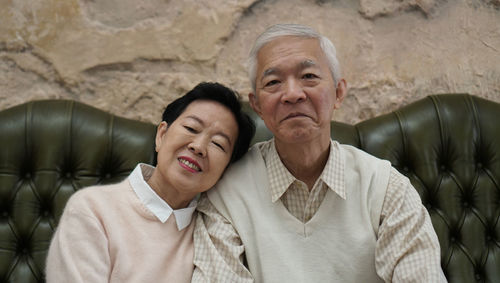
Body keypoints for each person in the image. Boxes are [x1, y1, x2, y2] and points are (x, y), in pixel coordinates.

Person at [192, 24, 447, 282]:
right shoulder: (226, 193)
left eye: (309, 76)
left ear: (338, 93)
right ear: (257, 105)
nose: (292, 94)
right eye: (273, 82)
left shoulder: (386, 189)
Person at [45, 82, 255, 283]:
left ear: (225, 170)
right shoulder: (93, 209)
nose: (199, 146)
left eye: (218, 144)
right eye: (191, 128)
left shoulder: (213, 234)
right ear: (161, 135)